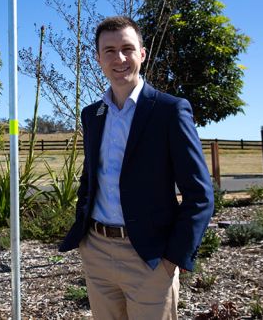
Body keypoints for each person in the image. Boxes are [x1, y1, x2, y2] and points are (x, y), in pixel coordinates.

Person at [59, 16, 214, 319]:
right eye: (110, 51)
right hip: (97, 251)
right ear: (98, 58)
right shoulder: (93, 115)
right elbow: (91, 178)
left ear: (142, 54)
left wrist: (173, 256)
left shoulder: (170, 110)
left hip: (150, 256)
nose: (119, 58)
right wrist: (86, 239)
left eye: (128, 49)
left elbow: (200, 194)